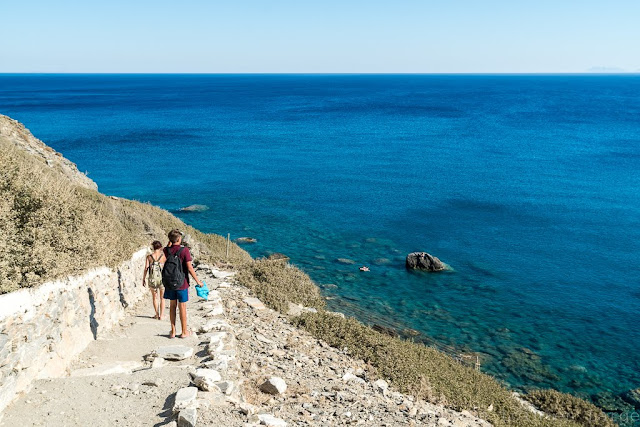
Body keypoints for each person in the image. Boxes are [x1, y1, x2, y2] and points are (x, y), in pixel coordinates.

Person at [163, 229, 203, 338]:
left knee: (172, 306)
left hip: (170, 282)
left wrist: (170, 241)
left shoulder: (166, 250)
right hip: (182, 283)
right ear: (179, 239)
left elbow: (168, 246)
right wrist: (198, 281)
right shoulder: (184, 250)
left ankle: (173, 331)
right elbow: (189, 267)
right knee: (182, 307)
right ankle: (184, 332)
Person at [142, 240, 166, 320]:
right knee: (162, 298)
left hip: (152, 279)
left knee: (154, 297)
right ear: (160, 247)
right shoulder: (163, 256)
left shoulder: (149, 257)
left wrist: (143, 279)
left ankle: (156, 314)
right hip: (162, 279)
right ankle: (162, 316)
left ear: (153, 247)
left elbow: (146, 268)